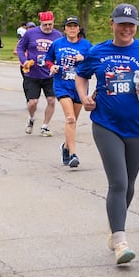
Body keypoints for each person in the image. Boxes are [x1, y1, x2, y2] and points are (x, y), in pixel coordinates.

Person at [75, 4, 139, 265]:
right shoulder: (97, 52)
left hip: (138, 127)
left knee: (129, 185)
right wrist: (84, 98)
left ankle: (114, 225)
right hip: (106, 124)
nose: (126, 29)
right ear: (112, 24)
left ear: (136, 26)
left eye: (131, 24)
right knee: (118, 182)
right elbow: (81, 76)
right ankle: (121, 241)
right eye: (121, 24)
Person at [46, 16, 92, 168]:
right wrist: (52, 66)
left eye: (75, 26)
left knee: (73, 121)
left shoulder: (86, 45)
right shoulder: (57, 44)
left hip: (79, 87)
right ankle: (73, 154)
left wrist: (83, 58)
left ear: (79, 29)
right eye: (69, 26)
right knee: (70, 118)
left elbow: (94, 63)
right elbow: (48, 59)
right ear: (64, 29)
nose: (72, 28)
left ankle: (65, 147)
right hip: (62, 85)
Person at [16, 11, 62, 136]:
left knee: (51, 100)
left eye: (50, 24)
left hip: (50, 75)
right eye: (45, 24)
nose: (48, 27)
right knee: (33, 102)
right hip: (32, 74)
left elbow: (61, 52)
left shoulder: (58, 36)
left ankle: (45, 126)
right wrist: (24, 61)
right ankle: (31, 118)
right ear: (40, 23)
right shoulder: (30, 33)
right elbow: (20, 48)